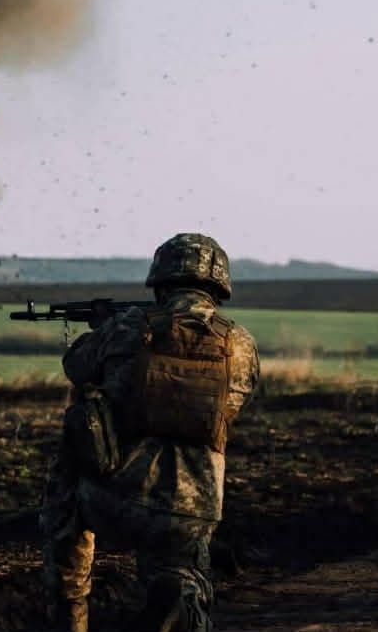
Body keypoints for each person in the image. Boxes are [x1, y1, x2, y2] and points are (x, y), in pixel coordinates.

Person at [40, 233, 260, 632]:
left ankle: (70, 612)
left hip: (115, 498)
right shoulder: (240, 345)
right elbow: (231, 407)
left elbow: (77, 367)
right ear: (219, 286)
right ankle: (179, 603)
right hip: (193, 509)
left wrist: (104, 329)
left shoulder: (127, 328)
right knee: (181, 573)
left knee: (66, 488)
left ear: (160, 281)